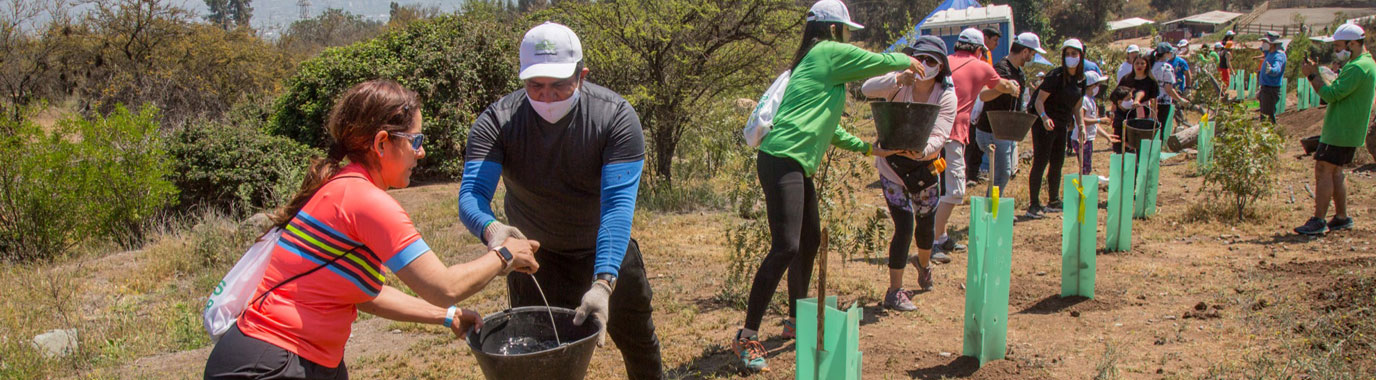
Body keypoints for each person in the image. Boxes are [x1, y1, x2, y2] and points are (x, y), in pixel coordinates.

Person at [204, 80, 542, 379]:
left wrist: (446, 316)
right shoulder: (367, 202)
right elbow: (444, 285)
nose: (421, 152)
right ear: (381, 143)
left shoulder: (343, 187)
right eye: (415, 140)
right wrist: (506, 253)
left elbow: (366, 293)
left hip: (289, 358)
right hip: (274, 363)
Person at [457, 22, 664, 379]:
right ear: (522, 78)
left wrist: (603, 284)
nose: (547, 98)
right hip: (536, 261)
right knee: (542, 363)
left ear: (581, 75)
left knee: (641, 349)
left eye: (559, 86)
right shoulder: (498, 121)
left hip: (607, 252)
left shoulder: (615, 117)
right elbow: (472, 195)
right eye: (536, 87)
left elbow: (616, 208)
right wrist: (492, 230)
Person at [731, 0, 927, 371]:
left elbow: (827, 127)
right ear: (835, 29)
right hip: (781, 159)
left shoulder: (816, 65)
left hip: (794, 163)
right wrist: (904, 60)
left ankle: (795, 320)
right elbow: (872, 60)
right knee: (786, 246)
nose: (848, 36)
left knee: (807, 243)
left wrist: (869, 147)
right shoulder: (826, 52)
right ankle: (747, 335)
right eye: (846, 30)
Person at [861, 36, 957, 311]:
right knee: (904, 226)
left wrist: (921, 151)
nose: (924, 65)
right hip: (893, 168)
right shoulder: (899, 81)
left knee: (925, 224)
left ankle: (923, 264)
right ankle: (894, 290)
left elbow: (941, 133)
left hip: (925, 168)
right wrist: (897, 79)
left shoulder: (946, 94)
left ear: (941, 66)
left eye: (931, 61)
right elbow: (867, 88)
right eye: (920, 58)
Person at [933, 27, 1019, 256]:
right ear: (979, 50)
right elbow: (1002, 86)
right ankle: (932, 242)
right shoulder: (981, 66)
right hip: (953, 134)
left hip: (932, 132)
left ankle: (940, 237)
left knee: (938, 188)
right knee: (955, 191)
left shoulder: (946, 61)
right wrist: (1013, 87)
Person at [1295, 23, 1374, 235]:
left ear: (1353, 44)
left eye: (1339, 46)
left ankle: (1318, 220)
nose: (1337, 51)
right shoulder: (1363, 64)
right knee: (1336, 171)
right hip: (1347, 128)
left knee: (1323, 168)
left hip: (1341, 129)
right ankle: (1341, 217)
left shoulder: (1357, 67)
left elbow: (1330, 95)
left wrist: (1312, 76)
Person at [975, 32, 1045, 191]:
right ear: (1025, 51)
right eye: (1032, 53)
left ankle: (994, 209)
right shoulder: (1001, 68)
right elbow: (984, 95)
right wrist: (1004, 89)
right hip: (991, 130)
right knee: (1003, 173)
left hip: (1006, 131)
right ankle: (991, 210)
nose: (1032, 57)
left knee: (1002, 173)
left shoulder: (1019, 72)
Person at [1026, 39, 1087, 219]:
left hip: (1062, 124)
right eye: (1067, 54)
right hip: (1044, 123)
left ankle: (1053, 200)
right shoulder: (1056, 76)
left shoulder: (1081, 80)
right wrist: (1044, 118)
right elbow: (1038, 101)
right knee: (1040, 162)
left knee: (1058, 162)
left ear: (1081, 56)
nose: (1071, 58)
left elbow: (1077, 106)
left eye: (1074, 54)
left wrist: (1081, 125)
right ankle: (1033, 204)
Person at [1074, 70, 1117, 174]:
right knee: (1085, 168)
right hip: (1081, 139)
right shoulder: (1084, 100)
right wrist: (1099, 120)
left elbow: (1094, 125)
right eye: (1097, 84)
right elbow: (1081, 119)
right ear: (1091, 86)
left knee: (1087, 167)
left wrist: (1107, 136)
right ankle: (1082, 188)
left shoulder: (1091, 100)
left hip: (1088, 138)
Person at [1151, 43, 1190, 128]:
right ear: (1166, 53)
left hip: (1151, 101)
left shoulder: (1151, 66)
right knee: (1161, 127)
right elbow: (1168, 89)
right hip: (1163, 102)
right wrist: (1180, 100)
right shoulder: (1167, 68)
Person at [1257, 33, 1287, 123]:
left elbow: (1277, 68)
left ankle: (1272, 135)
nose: (1263, 44)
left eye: (1265, 42)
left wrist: (1271, 70)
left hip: (1271, 90)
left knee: (1267, 118)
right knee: (1264, 115)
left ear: (1272, 44)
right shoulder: (1270, 54)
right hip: (1265, 88)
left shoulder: (1278, 56)